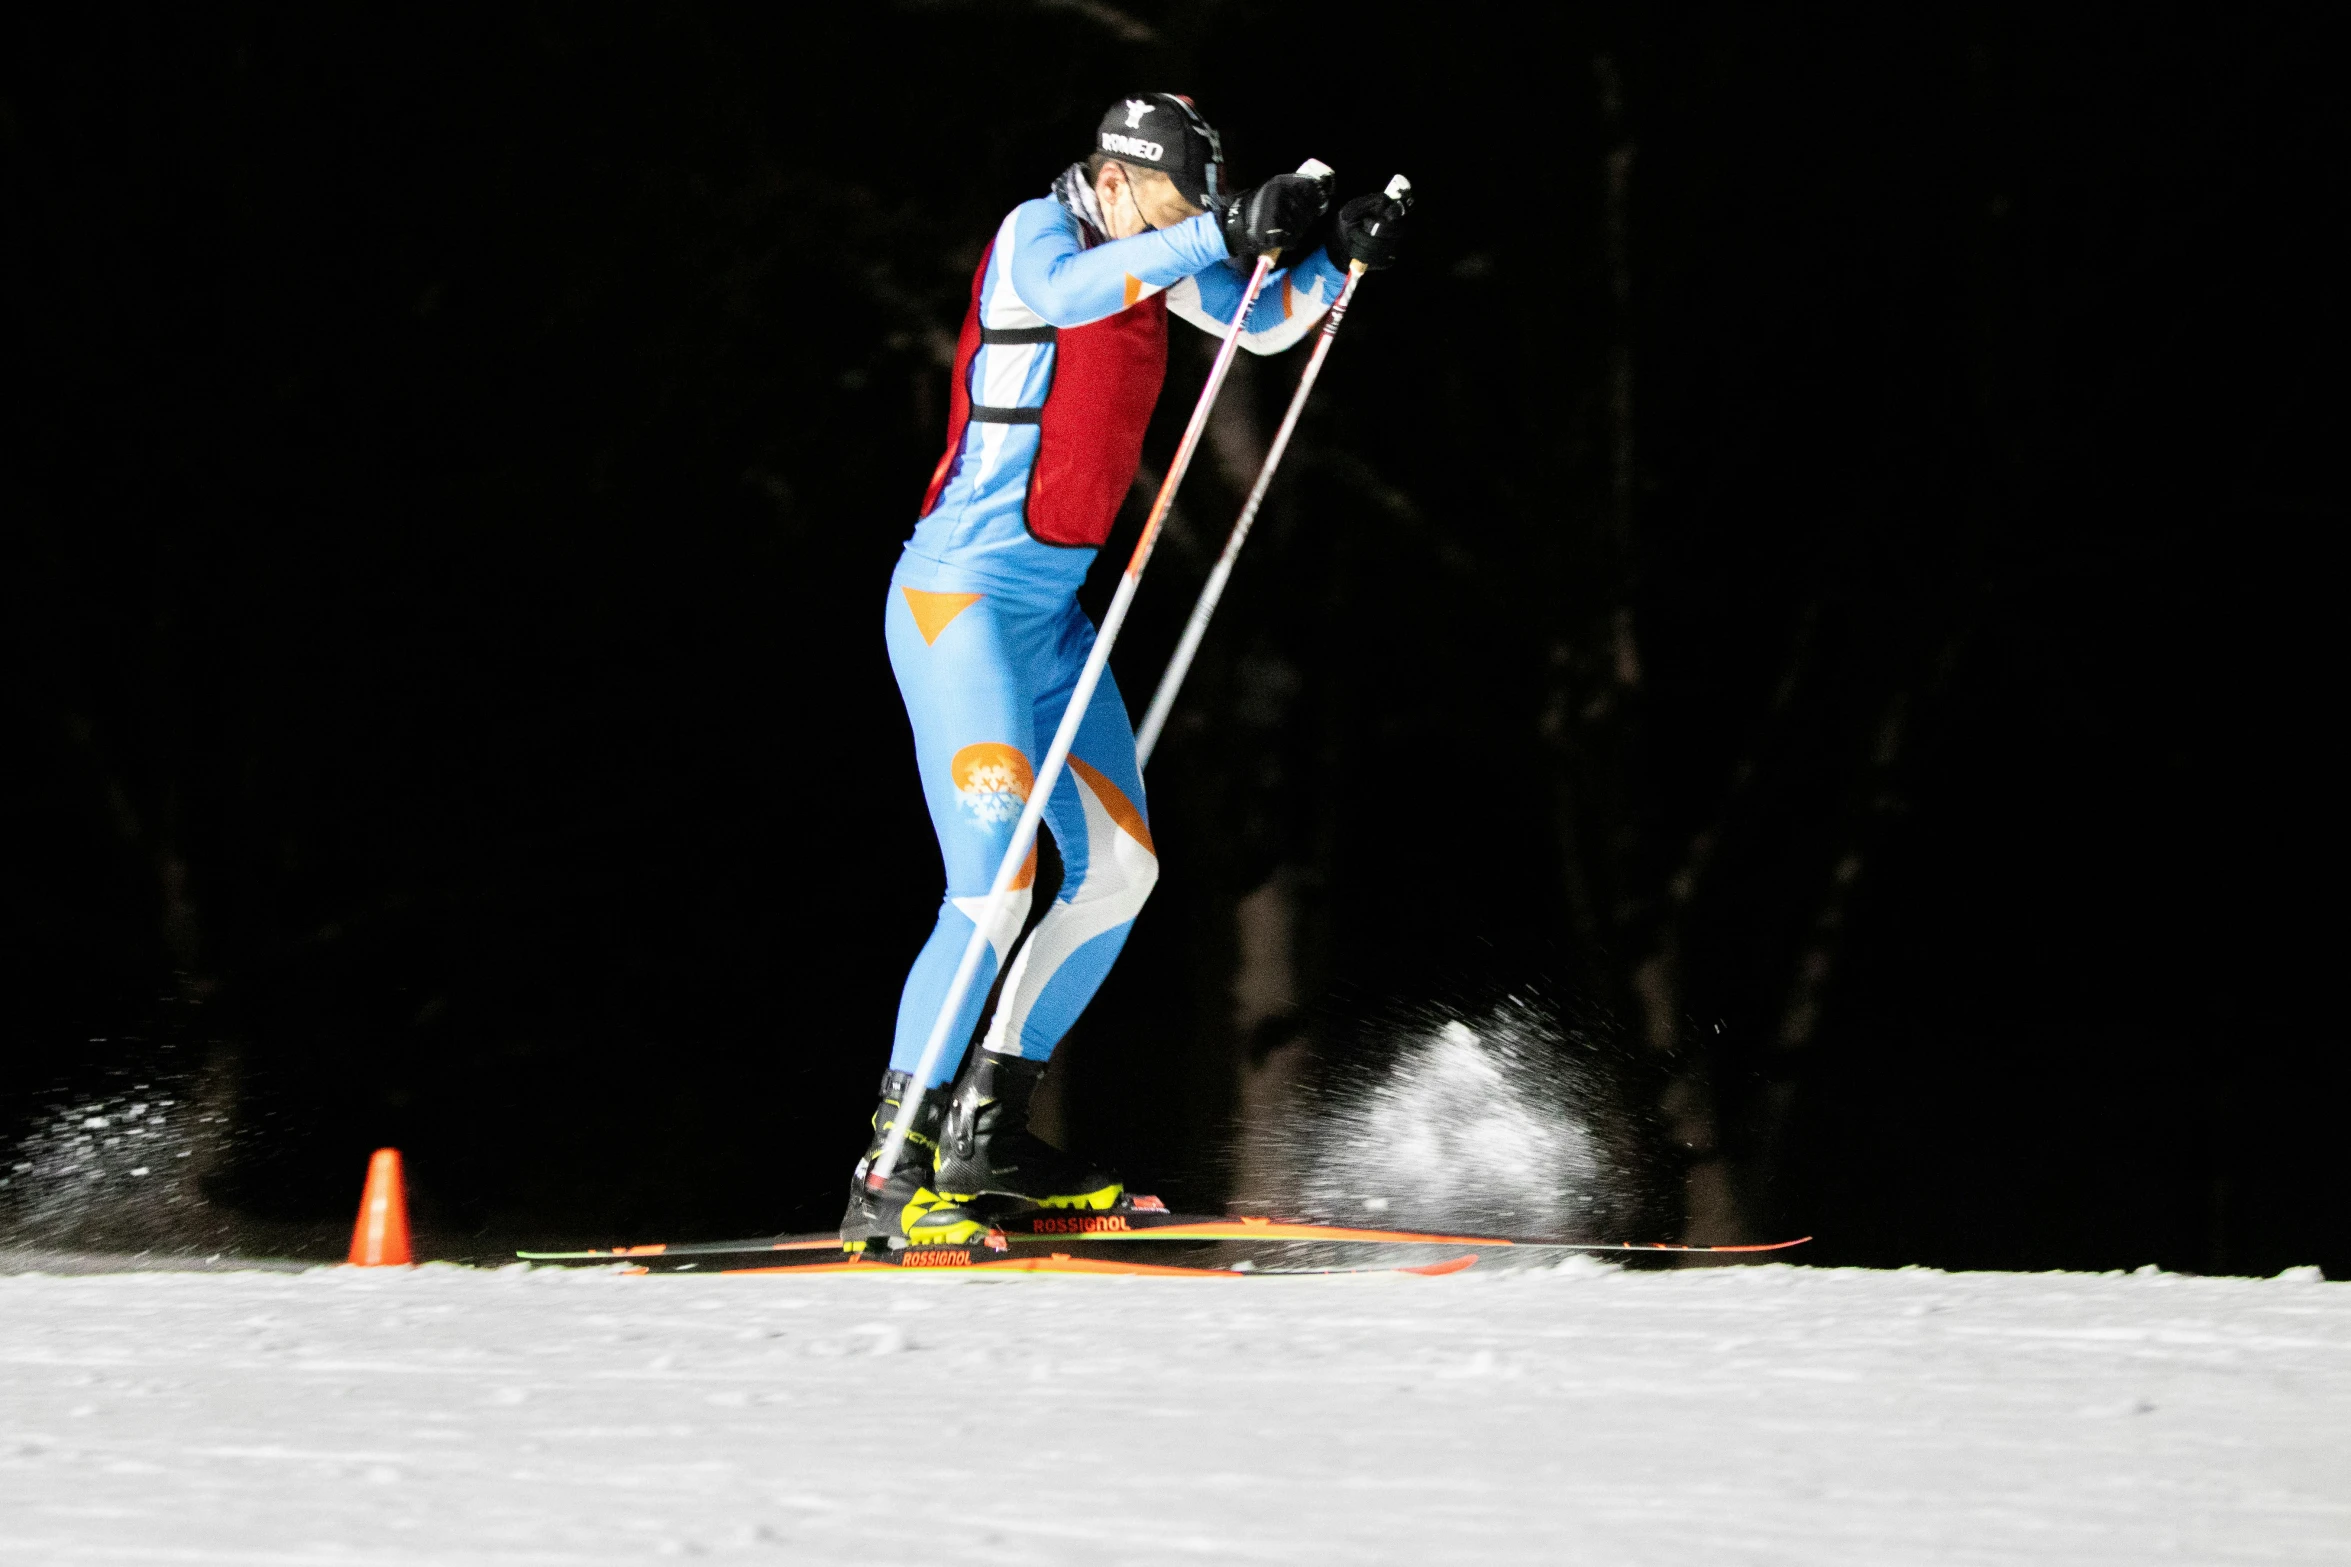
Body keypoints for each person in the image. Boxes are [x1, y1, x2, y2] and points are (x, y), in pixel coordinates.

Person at [842, 94, 1413, 1251]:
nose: (1184, 220)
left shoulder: (1152, 250)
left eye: (1195, 206)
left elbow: (1257, 324)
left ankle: (986, 1137)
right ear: (1114, 179)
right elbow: (1061, 299)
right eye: (1169, 199)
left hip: (1051, 625)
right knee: (994, 887)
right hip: (959, 607)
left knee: (1114, 872)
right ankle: (887, 1173)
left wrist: (1334, 261)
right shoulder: (1034, 236)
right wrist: (1221, 230)